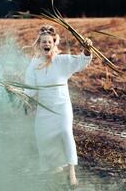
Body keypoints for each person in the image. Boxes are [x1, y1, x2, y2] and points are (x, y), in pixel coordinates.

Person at [23, 25, 92, 188]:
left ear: (53, 43)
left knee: (65, 132)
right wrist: (25, 99)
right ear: (39, 44)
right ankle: (55, 169)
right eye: (43, 41)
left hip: (62, 107)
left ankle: (71, 173)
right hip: (45, 109)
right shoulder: (33, 65)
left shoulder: (62, 61)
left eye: (49, 41)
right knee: (44, 137)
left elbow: (82, 61)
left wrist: (87, 49)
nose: (46, 44)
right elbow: (30, 88)